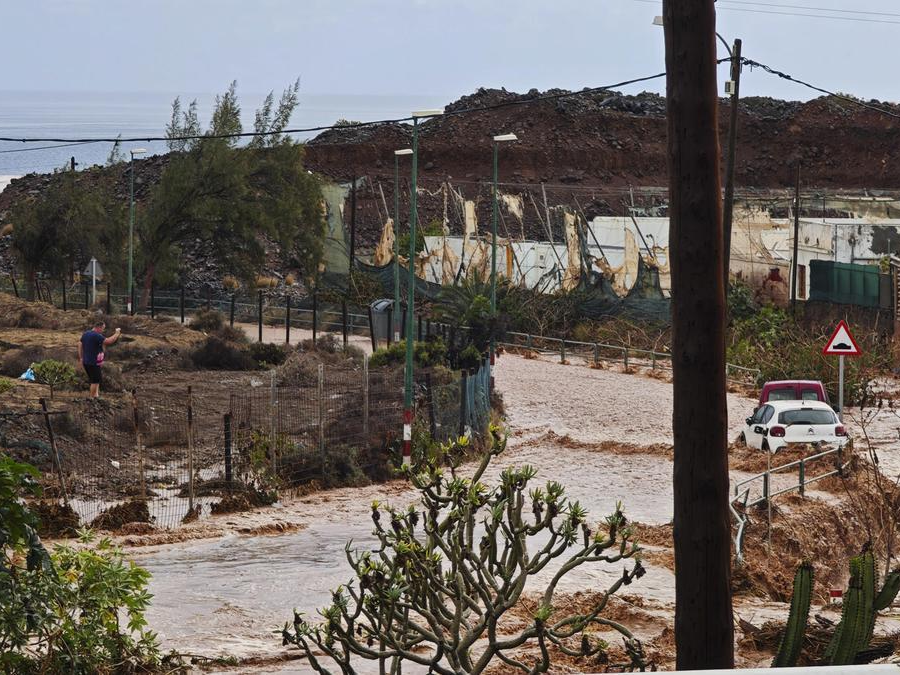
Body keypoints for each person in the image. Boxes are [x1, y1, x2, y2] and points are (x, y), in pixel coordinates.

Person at [78, 320, 122, 398]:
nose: (103, 331)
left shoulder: (86, 334)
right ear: (98, 327)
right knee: (94, 381)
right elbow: (109, 341)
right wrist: (117, 333)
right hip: (93, 362)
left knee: (96, 380)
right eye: (103, 328)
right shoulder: (96, 335)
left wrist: (81, 358)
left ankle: (96, 396)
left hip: (88, 362)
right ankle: (92, 398)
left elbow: (80, 344)